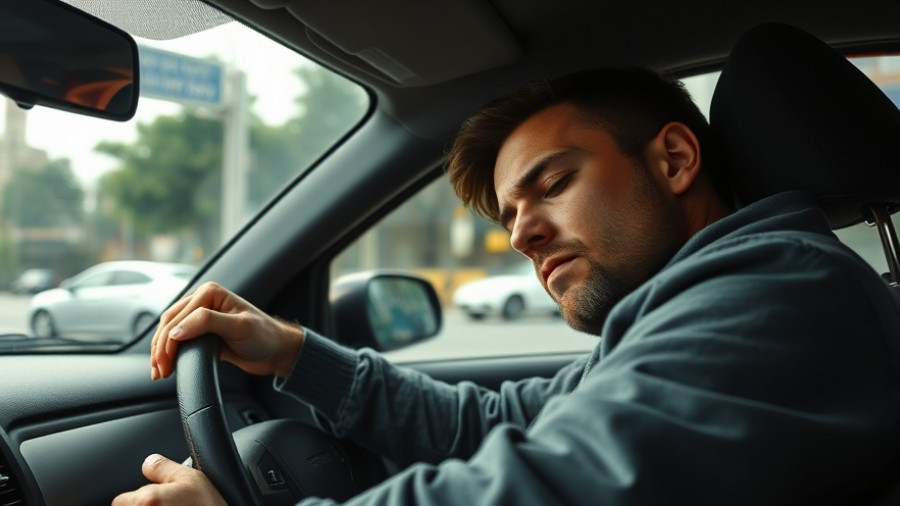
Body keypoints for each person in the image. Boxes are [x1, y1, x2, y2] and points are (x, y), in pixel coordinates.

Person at [113, 67, 900, 505]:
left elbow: (547, 490)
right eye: (510, 214)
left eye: (552, 183)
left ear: (673, 160)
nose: (520, 234)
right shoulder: (695, 304)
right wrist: (291, 349)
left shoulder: (777, 290)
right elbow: (490, 424)